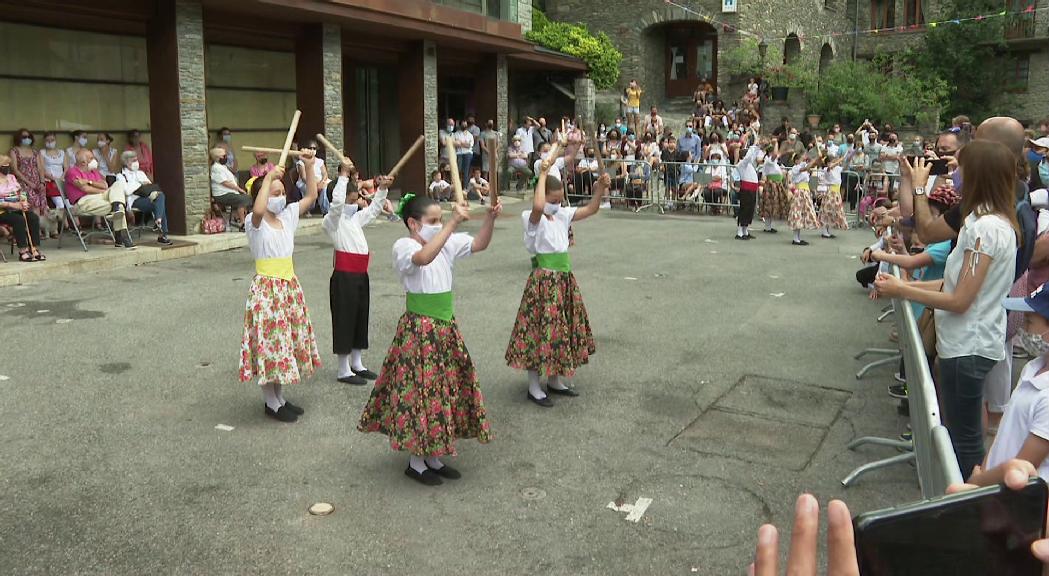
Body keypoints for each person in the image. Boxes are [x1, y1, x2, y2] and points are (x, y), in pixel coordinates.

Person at [875, 141, 1021, 479]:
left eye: (961, 168)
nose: (954, 174)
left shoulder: (986, 228)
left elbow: (959, 300)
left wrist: (903, 288)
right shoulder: (985, 222)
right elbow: (952, 287)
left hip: (969, 344)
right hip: (965, 341)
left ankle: (966, 504)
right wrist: (902, 289)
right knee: (958, 429)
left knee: (964, 438)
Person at [357, 192, 500, 486]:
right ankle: (416, 461)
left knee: (442, 392)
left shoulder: (445, 242)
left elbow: (479, 243)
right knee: (421, 394)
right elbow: (422, 258)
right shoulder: (404, 245)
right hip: (420, 331)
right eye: (432, 221)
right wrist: (451, 226)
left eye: (441, 219)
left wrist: (490, 219)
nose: (439, 224)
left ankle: (434, 456)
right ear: (413, 224)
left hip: (445, 328)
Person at [506, 156, 606, 407]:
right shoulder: (531, 216)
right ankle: (533, 386)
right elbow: (539, 206)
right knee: (539, 331)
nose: (556, 204)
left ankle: (554, 380)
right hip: (544, 281)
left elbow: (591, 209)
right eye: (553, 200)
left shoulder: (561, 215)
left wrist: (599, 190)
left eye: (559, 200)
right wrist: (541, 175)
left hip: (563, 280)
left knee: (560, 330)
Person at [238, 149, 322, 423]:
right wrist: (268, 177)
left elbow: (311, 196)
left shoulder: (287, 217)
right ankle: (270, 402)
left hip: (287, 287)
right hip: (267, 291)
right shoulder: (254, 223)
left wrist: (309, 166)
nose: (279, 196)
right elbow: (260, 209)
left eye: (280, 191)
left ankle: (280, 397)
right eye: (272, 192)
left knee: (283, 344)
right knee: (270, 345)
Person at [323, 154, 388, 386]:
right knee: (344, 318)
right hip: (344, 277)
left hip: (361, 275)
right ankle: (343, 369)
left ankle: (357, 362)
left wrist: (382, 189)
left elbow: (374, 209)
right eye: (352, 200)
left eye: (355, 199)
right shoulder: (332, 221)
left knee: (361, 315)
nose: (355, 203)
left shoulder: (355, 220)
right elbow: (338, 205)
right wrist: (342, 176)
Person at [64, 149, 134, 248]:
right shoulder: (72, 171)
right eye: (91, 158)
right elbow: (85, 189)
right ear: (83, 162)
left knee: (118, 184)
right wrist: (104, 191)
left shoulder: (94, 172)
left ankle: (116, 209)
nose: (95, 160)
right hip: (84, 201)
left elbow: (105, 185)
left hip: (100, 197)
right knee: (119, 206)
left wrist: (89, 182)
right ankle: (121, 236)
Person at [115, 150, 171, 245]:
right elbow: (127, 191)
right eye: (133, 160)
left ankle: (158, 219)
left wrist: (137, 185)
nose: (136, 162)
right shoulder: (120, 176)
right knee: (159, 206)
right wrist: (139, 184)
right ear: (126, 162)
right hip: (134, 200)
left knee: (161, 196)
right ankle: (162, 233)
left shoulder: (140, 173)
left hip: (147, 197)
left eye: (136, 160)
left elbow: (149, 186)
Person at [0, 154, 45, 262]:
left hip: (16, 208)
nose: (7, 167)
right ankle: (23, 251)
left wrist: (24, 201)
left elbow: (21, 192)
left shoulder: (11, 177)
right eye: (4, 165)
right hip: (2, 211)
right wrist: (10, 204)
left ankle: (34, 248)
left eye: (8, 165)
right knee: (19, 220)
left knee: (33, 217)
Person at [9, 129, 47, 219]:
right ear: (18, 138)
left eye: (29, 137)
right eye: (24, 137)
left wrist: (42, 182)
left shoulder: (35, 152)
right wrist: (29, 183)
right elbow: (15, 169)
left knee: (42, 202)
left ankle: (45, 228)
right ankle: (35, 228)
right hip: (22, 183)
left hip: (37, 181)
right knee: (33, 203)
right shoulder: (14, 151)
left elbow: (40, 168)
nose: (27, 139)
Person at [209, 147, 251, 228]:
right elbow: (225, 182)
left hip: (229, 192)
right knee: (242, 199)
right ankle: (242, 222)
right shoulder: (216, 168)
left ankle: (237, 218)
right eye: (224, 155)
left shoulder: (223, 166)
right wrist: (238, 189)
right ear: (217, 158)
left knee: (246, 197)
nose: (226, 157)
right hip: (222, 194)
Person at [818, 144, 853, 239]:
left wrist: (849, 156)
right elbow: (831, 166)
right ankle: (824, 231)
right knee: (827, 211)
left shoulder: (837, 169)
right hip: (830, 192)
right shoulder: (826, 169)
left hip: (836, 193)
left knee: (833, 211)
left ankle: (828, 230)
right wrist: (840, 159)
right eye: (832, 161)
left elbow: (845, 165)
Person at [734, 129, 762, 240]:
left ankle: (745, 230)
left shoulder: (749, 164)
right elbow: (749, 156)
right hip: (746, 189)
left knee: (750, 210)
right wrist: (754, 145)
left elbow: (753, 155)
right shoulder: (742, 164)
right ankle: (740, 231)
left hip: (752, 189)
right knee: (744, 209)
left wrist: (757, 145)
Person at [786, 157, 820, 246]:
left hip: (805, 191)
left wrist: (817, 158)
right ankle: (795, 238)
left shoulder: (803, 167)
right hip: (800, 191)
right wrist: (813, 160)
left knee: (802, 214)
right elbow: (805, 168)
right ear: (796, 160)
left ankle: (798, 237)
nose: (802, 160)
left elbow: (810, 166)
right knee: (797, 213)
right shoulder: (795, 168)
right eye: (800, 159)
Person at [295, 140, 330, 214]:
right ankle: (309, 208)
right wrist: (314, 184)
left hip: (320, 181)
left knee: (325, 187)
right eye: (310, 148)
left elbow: (325, 174)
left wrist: (321, 183)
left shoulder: (320, 161)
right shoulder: (301, 162)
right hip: (306, 183)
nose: (312, 150)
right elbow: (304, 178)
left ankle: (325, 210)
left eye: (314, 148)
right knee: (311, 189)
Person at [760, 141, 787, 233]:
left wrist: (785, 149)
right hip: (771, 184)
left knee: (773, 204)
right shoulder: (768, 161)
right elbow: (776, 154)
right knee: (769, 204)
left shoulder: (773, 161)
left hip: (776, 183)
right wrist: (776, 143)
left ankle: (769, 225)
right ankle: (767, 226)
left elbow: (778, 154)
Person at [39, 132, 66, 213]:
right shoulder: (42, 152)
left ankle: (76, 225)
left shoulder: (62, 152)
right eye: (48, 140)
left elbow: (66, 167)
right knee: (60, 204)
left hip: (62, 181)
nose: (50, 142)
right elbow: (42, 169)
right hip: (50, 182)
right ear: (44, 141)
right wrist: (54, 179)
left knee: (69, 204)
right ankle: (65, 225)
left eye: (52, 140)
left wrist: (61, 178)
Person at [453, 120, 474, 185]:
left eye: (465, 125)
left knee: (466, 171)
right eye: (463, 125)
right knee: (458, 170)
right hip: (459, 154)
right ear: (460, 125)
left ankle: (465, 186)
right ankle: (458, 185)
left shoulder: (470, 135)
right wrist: (464, 144)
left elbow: (469, 145)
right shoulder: (456, 134)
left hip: (468, 154)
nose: (464, 126)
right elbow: (455, 144)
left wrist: (461, 143)